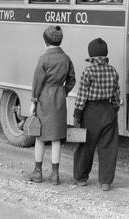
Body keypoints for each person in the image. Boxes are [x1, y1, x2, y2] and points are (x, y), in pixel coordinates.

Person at [27, 25, 76, 185]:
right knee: (56, 138)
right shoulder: (66, 58)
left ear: (45, 41)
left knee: (40, 137)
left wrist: (33, 101)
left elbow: (37, 82)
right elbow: (72, 79)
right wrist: (63, 92)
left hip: (44, 98)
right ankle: (55, 175)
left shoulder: (44, 59)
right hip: (59, 98)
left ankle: (38, 172)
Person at [73, 38, 120, 191]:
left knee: (86, 145)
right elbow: (116, 95)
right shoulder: (112, 70)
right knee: (108, 147)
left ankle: (81, 178)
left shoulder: (88, 71)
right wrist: (114, 109)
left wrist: (77, 114)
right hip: (108, 109)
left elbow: (82, 95)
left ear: (91, 54)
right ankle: (105, 182)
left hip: (91, 111)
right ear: (105, 54)